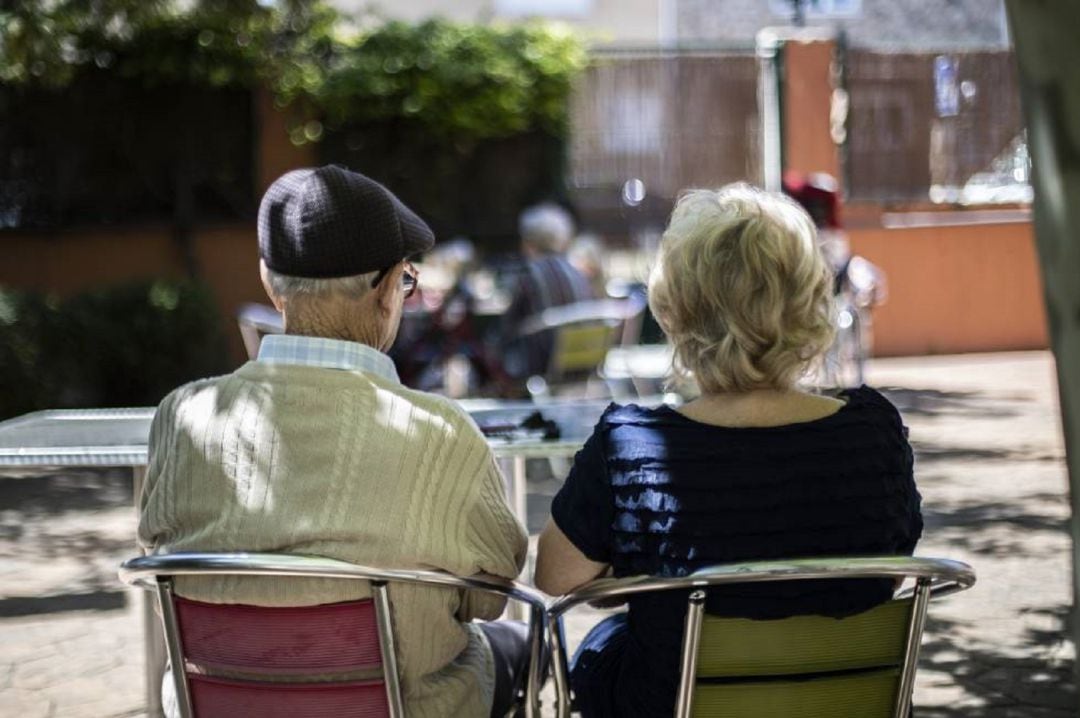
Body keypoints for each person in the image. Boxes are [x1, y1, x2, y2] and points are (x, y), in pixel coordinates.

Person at [138, 165, 530, 718]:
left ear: (270, 283)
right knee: (519, 643)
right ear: (389, 289)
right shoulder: (441, 435)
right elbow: (489, 596)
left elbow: (164, 560)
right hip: (407, 709)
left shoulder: (181, 417)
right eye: (407, 281)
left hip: (224, 705)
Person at [533, 184, 923, 717]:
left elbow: (555, 577)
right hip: (841, 697)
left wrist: (641, 580)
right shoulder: (873, 430)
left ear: (675, 310)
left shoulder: (633, 446)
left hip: (680, 703)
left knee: (602, 646)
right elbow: (888, 570)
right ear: (809, 302)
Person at [500, 202, 595, 384]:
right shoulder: (577, 273)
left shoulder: (529, 274)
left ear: (528, 240)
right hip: (580, 364)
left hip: (542, 364)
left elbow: (509, 323)